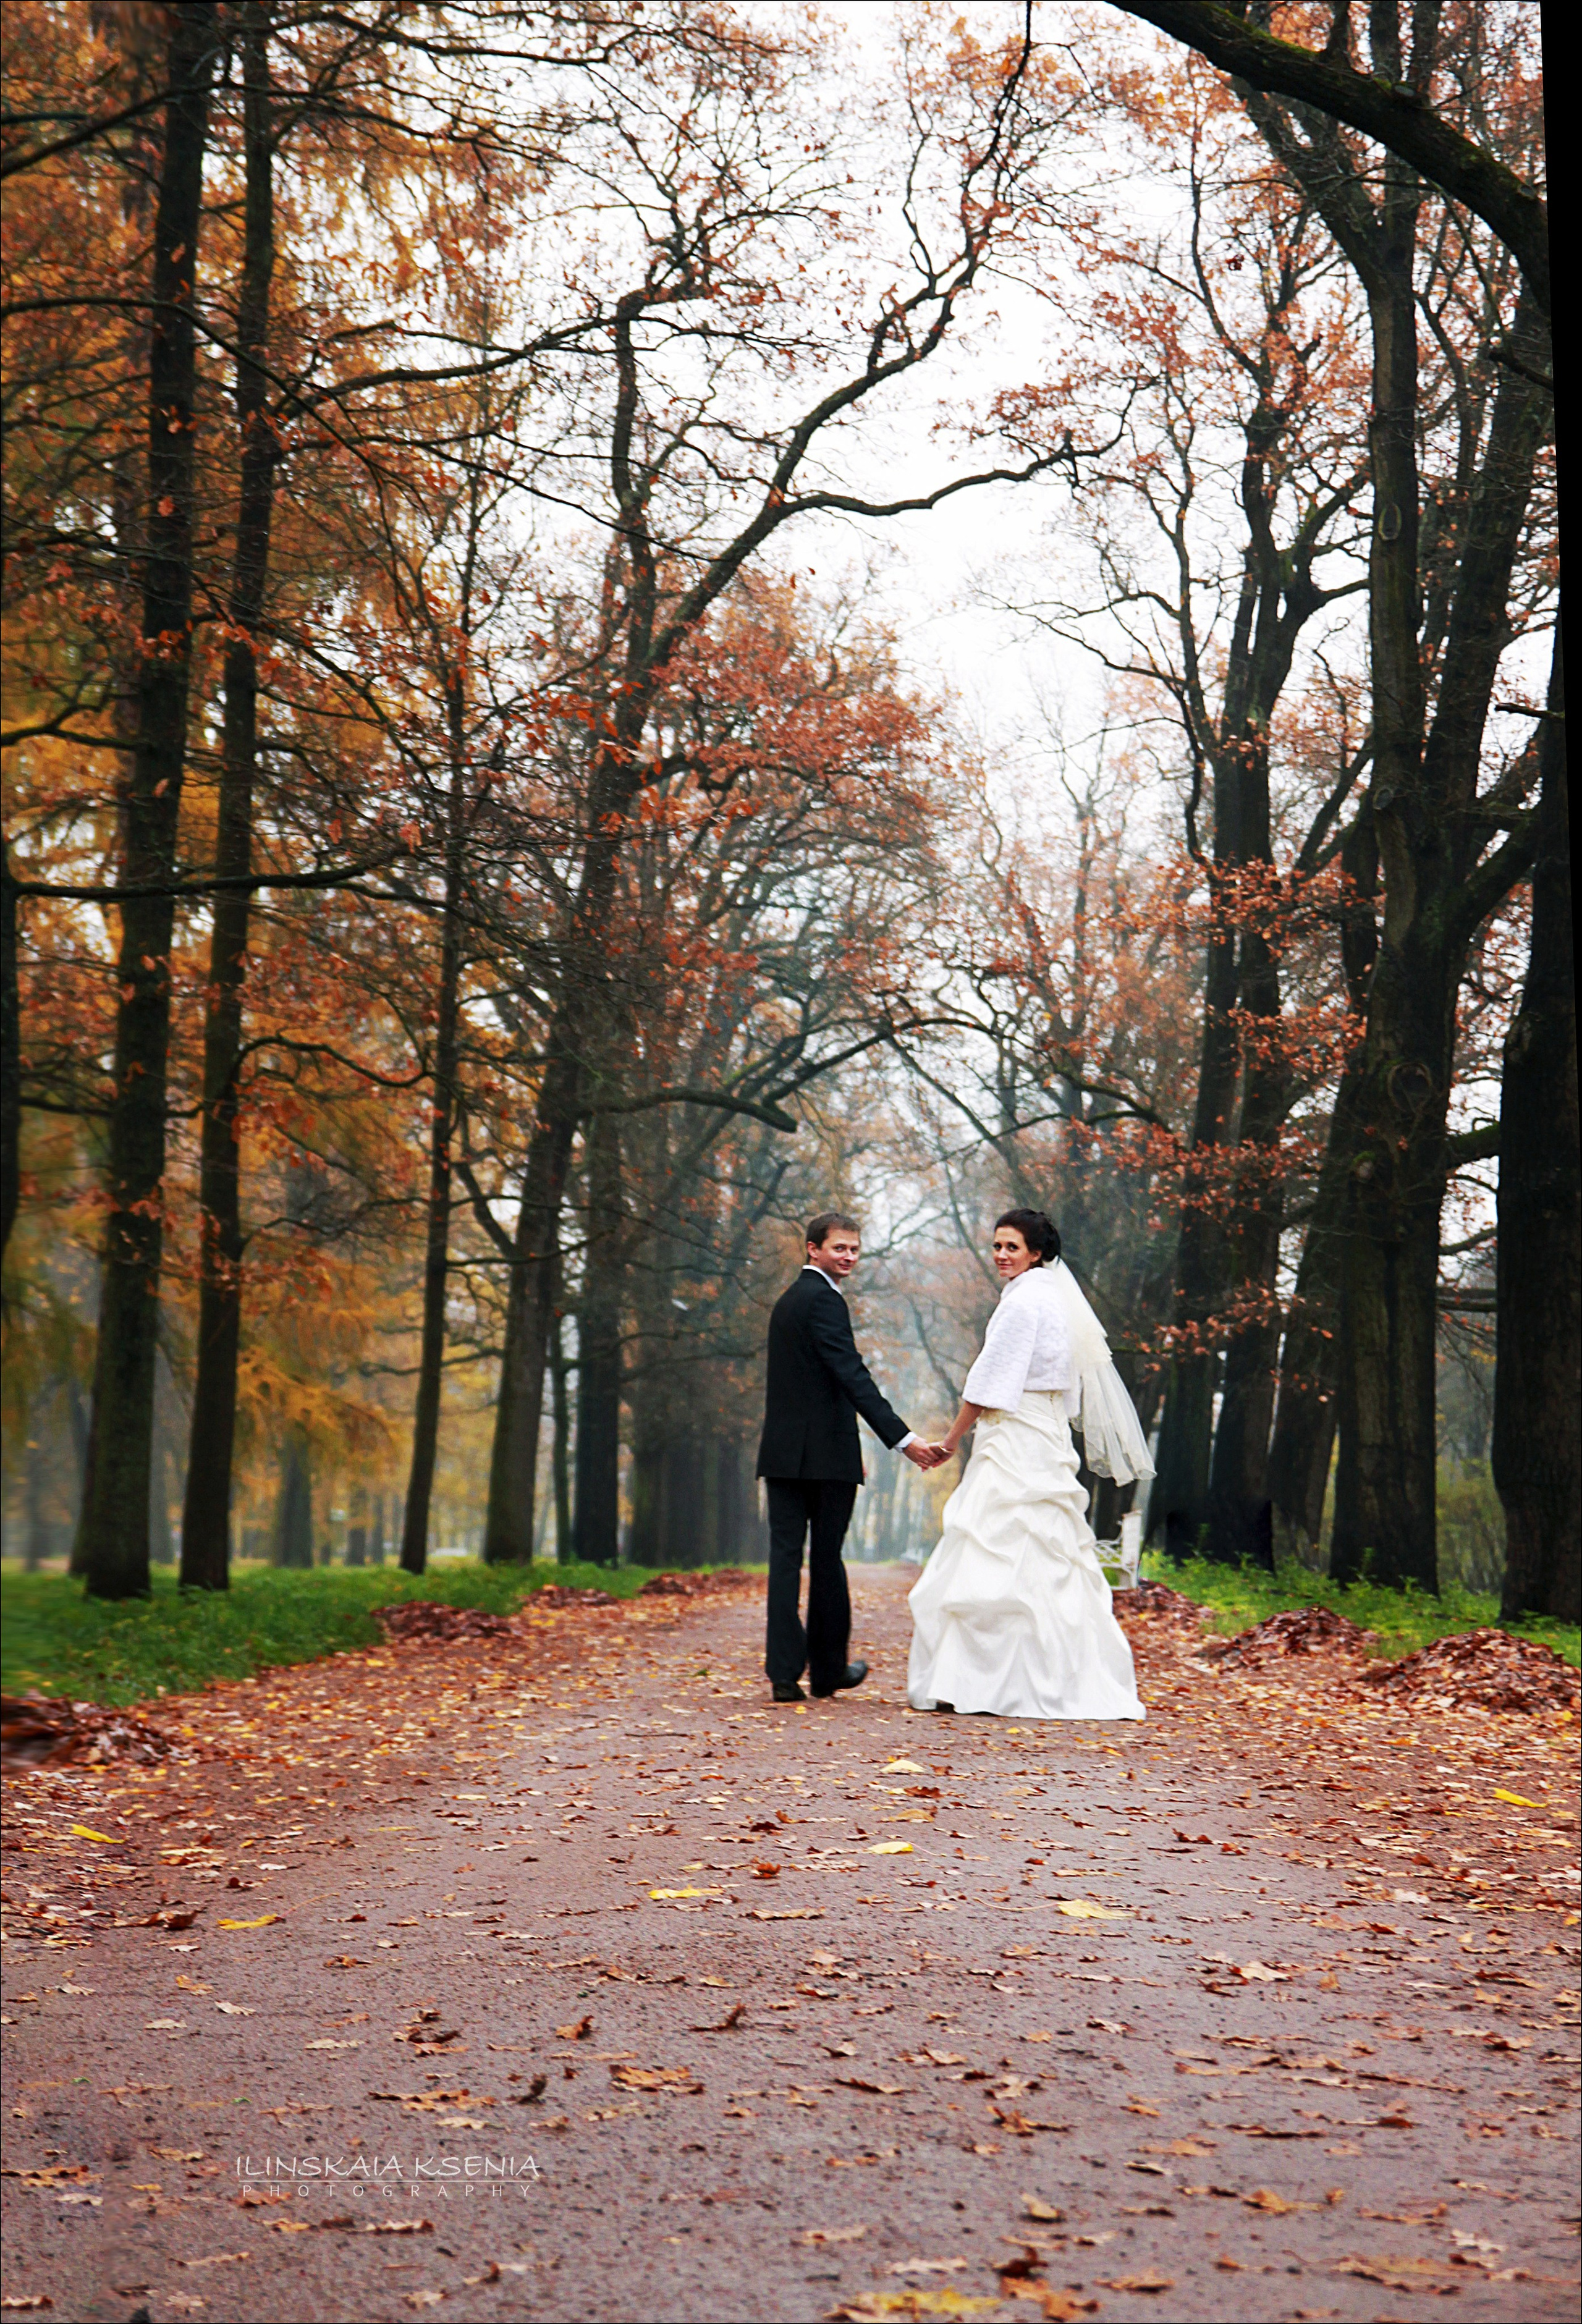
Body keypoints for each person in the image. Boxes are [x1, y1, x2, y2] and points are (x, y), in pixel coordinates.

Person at [907, 1207, 1152, 1722]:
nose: (1000, 1254)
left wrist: (951, 1440)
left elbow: (989, 1381)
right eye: (996, 1245)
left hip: (1016, 1438)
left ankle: (985, 1680)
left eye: (1012, 1247)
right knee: (1047, 1556)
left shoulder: (1022, 1305)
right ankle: (1049, 1673)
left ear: (1037, 1253)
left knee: (996, 1549)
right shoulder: (1052, 1299)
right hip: (1043, 1432)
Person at [757, 1212, 945, 1705]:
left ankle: (783, 1674)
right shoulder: (825, 1301)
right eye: (839, 1248)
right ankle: (827, 1670)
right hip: (825, 1456)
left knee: (783, 1560)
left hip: (781, 1455)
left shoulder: (787, 1302)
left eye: (855, 1249)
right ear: (812, 1249)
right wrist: (903, 1439)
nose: (849, 1257)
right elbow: (851, 1375)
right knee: (825, 1559)